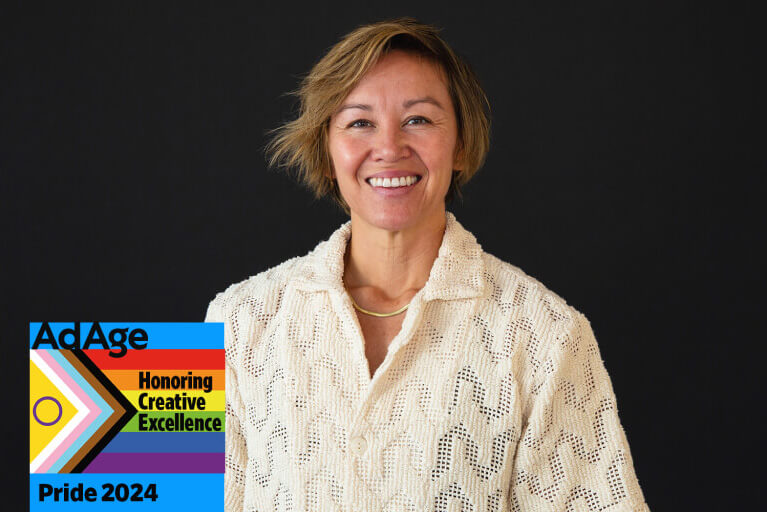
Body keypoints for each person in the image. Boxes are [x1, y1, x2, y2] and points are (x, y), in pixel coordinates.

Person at [206, 17, 650, 512]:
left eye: (418, 119)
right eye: (359, 122)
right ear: (327, 150)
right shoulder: (233, 319)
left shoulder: (547, 335)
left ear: (459, 144)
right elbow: (151, 496)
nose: (390, 148)